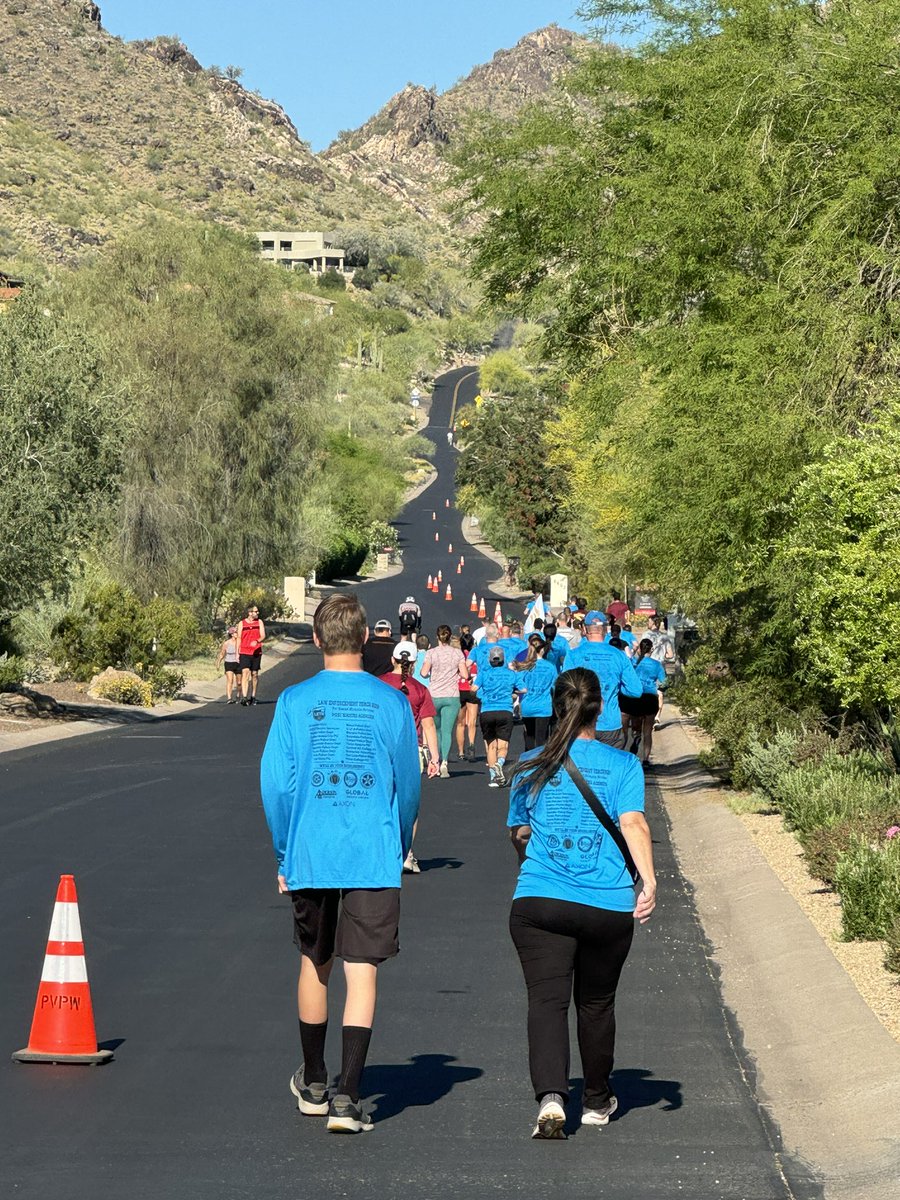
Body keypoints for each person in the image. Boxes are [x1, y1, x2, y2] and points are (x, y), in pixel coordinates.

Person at [260, 593, 420, 1134]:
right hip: (372, 854)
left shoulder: (292, 701)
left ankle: (314, 1079)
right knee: (363, 971)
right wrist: (398, 842)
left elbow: (276, 787)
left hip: (311, 852)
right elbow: (409, 783)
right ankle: (349, 1098)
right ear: (366, 639)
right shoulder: (393, 702)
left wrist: (285, 850)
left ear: (317, 639)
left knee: (314, 961)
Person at [507, 667, 657, 1138]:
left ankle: (551, 1097)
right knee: (596, 1003)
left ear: (555, 707)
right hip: (606, 904)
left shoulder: (530, 763)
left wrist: (531, 865)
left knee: (546, 1002)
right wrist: (648, 881)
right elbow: (633, 823)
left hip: (539, 901)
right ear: (602, 709)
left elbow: (520, 833)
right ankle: (595, 1099)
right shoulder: (624, 765)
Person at [378, 640, 440, 873]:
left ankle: (384, 852)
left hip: (381, 750)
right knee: (409, 805)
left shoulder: (379, 685)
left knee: (382, 801)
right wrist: (435, 758)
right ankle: (406, 854)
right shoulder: (419, 690)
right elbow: (429, 725)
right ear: (414, 665)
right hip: (411, 752)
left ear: (393, 660)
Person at [566, 617, 642, 748]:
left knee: (582, 765)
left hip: (581, 722)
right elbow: (636, 690)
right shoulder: (619, 655)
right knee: (610, 765)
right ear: (606, 630)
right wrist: (617, 688)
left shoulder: (573, 655)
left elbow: (563, 689)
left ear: (584, 629)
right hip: (610, 724)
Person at [420, 625, 468, 778]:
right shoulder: (457, 653)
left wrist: (432, 676)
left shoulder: (431, 653)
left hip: (434, 695)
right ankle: (445, 762)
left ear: (437, 637)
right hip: (452, 695)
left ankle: (437, 760)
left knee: (437, 730)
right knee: (447, 731)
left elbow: (423, 672)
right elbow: (465, 675)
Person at [620, 638, 668, 764]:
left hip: (635, 698)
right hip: (650, 699)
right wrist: (660, 689)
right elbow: (664, 683)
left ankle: (636, 738)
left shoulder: (633, 663)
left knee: (636, 727)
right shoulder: (657, 665)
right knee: (648, 731)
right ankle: (646, 759)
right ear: (652, 649)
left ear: (639, 649)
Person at [478, 646, 520, 787]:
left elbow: (474, 689)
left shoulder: (484, 674)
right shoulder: (511, 674)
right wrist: (513, 692)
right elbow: (523, 688)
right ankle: (499, 763)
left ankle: (493, 777)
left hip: (487, 711)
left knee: (491, 746)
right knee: (503, 745)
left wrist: (483, 695)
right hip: (505, 711)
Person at [514, 635, 558, 751]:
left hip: (528, 705)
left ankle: (528, 761)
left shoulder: (525, 666)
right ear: (542, 650)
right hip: (544, 706)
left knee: (529, 736)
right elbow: (556, 685)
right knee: (542, 739)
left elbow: (517, 683)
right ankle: (539, 763)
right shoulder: (550, 666)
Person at [455, 635, 479, 762]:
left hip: (459, 689)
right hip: (472, 690)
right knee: (472, 721)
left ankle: (460, 752)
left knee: (460, 722)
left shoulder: (458, 656)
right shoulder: (475, 656)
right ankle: (471, 746)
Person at [237, 603, 266, 706]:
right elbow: (239, 638)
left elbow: (263, 635)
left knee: (254, 674)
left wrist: (257, 641)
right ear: (250, 613)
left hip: (256, 651)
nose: (257, 613)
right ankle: (244, 697)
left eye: (257, 611)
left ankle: (253, 696)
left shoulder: (259, 622)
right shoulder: (242, 623)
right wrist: (237, 652)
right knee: (245, 672)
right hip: (244, 651)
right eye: (255, 611)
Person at [216, 625, 241, 703]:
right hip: (229, 663)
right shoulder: (227, 643)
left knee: (239, 682)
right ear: (232, 634)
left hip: (238, 663)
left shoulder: (240, 642)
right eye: (236, 632)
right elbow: (222, 653)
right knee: (230, 680)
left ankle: (238, 696)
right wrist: (218, 663)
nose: (237, 634)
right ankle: (229, 698)